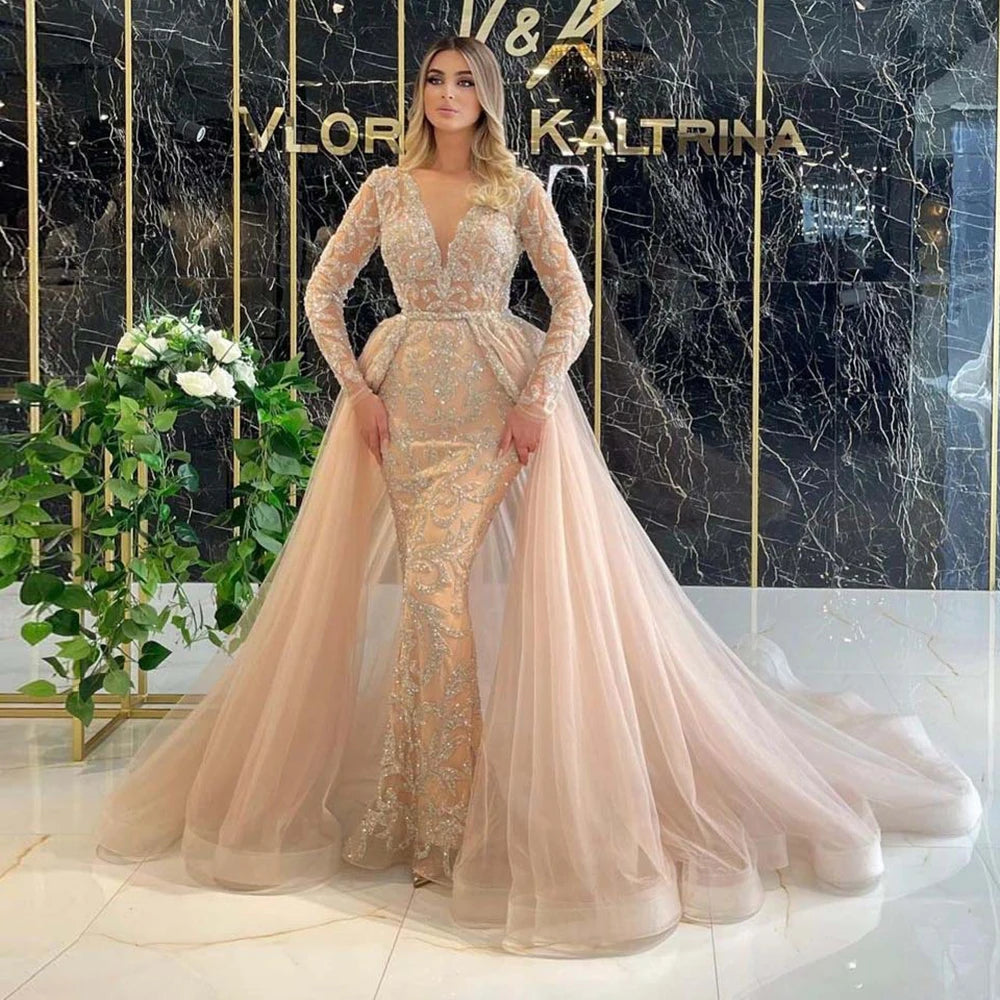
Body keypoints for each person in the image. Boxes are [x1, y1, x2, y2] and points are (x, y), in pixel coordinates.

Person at [95, 35, 983, 958]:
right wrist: (357, 389)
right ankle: (421, 803)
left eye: (464, 81)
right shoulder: (385, 189)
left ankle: (449, 821)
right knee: (431, 601)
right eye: (434, 80)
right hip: (404, 411)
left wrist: (535, 397)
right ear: (419, 94)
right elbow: (324, 294)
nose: (447, 93)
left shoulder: (515, 189)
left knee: (437, 596)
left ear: (488, 96)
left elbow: (574, 305)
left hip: (493, 407)